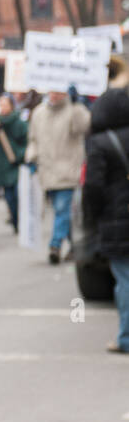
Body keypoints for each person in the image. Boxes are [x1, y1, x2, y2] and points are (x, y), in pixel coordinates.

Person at [24, 88, 91, 264]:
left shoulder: (73, 110)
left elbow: (84, 127)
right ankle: (75, 246)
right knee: (63, 211)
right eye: (52, 91)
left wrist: (78, 104)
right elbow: (33, 139)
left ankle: (55, 245)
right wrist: (31, 157)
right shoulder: (39, 112)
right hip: (46, 172)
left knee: (62, 209)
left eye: (59, 92)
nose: (54, 95)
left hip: (68, 171)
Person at [85, 87, 129, 352]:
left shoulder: (100, 144)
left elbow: (93, 186)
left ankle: (126, 337)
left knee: (124, 279)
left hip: (116, 220)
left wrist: (94, 216)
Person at [0, 94, 27, 232]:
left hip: (17, 164)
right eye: (0, 105)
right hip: (3, 165)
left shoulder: (19, 123)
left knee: (18, 194)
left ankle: (21, 220)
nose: (3, 108)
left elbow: (26, 142)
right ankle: (14, 220)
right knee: (9, 197)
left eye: (5, 104)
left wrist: (19, 155)